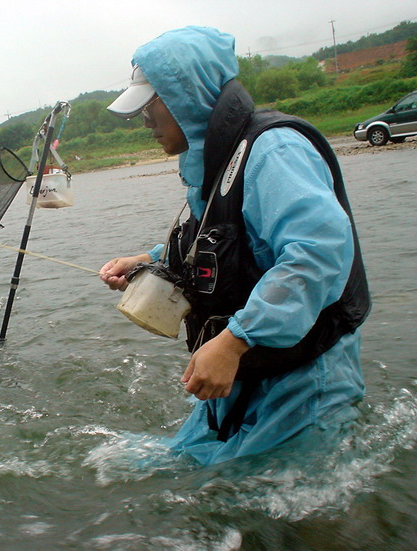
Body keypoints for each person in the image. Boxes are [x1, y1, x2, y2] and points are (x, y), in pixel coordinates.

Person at [100, 26, 370, 466]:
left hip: (301, 380)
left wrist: (234, 342)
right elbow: (218, 243)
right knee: (148, 469)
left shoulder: (274, 150)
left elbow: (317, 253)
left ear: (185, 98)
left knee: (284, 518)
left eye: (150, 111)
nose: (145, 126)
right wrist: (146, 261)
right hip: (246, 375)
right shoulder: (214, 165)